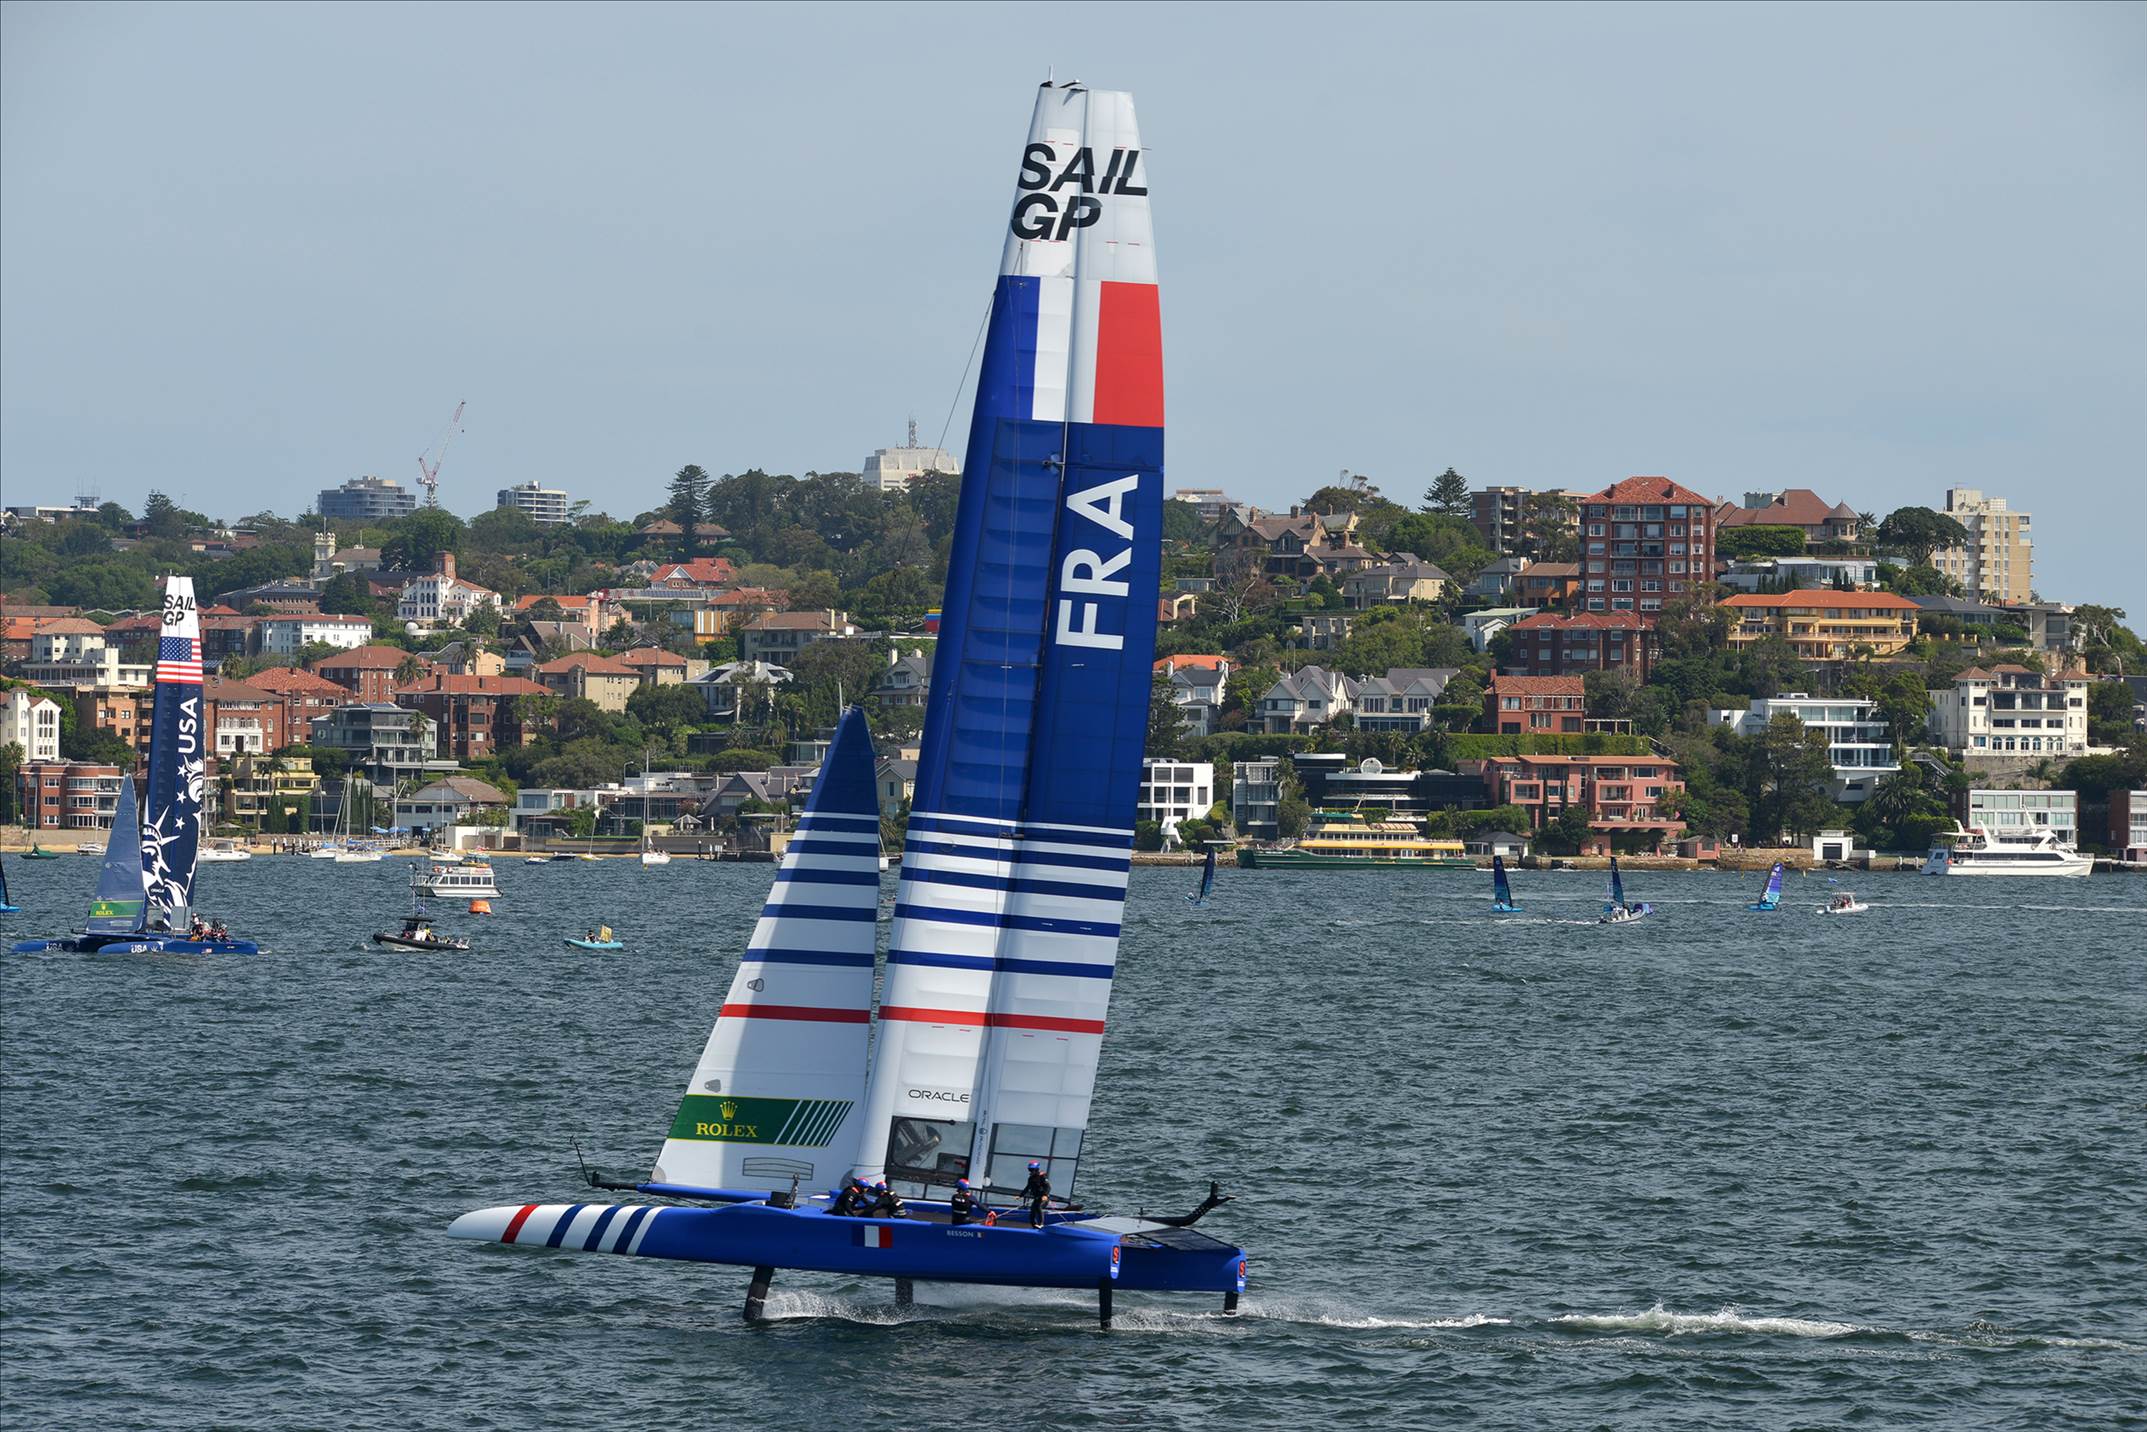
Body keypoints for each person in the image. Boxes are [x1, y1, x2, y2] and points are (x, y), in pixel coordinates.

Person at [1021, 1161, 1051, 1228]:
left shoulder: (1042, 1176)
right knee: (1032, 1213)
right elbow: (1027, 1188)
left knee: (1038, 1207)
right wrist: (1020, 1195)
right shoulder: (1030, 1178)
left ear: (1036, 1169)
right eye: (1030, 1170)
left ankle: (1041, 1224)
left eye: (1032, 1169)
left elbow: (1048, 1187)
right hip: (1037, 1198)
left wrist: (1045, 1195)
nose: (1031, 1171)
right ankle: (1034, 1226)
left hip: (1044, 1198)